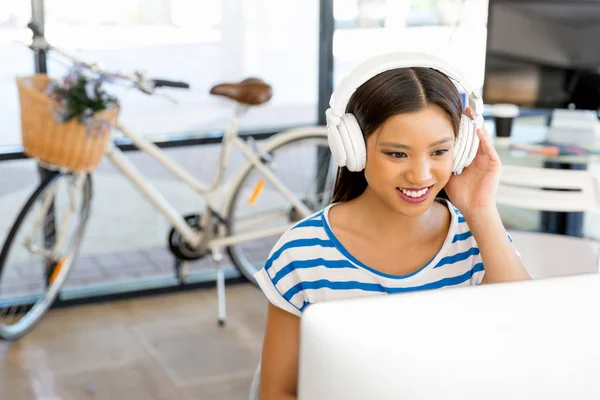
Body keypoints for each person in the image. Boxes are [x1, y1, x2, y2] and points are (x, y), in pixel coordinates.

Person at [253, 54, 531, 400]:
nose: (421, 175)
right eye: (397, 154)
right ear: (353, 149)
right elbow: (277, 392)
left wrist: (480, 209)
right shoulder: (304, 253)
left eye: (439, 151)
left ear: (460, 150)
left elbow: (526, 338)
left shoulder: (475, 239)